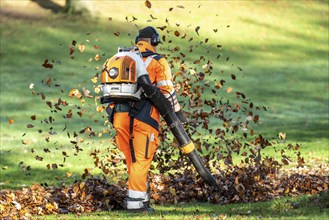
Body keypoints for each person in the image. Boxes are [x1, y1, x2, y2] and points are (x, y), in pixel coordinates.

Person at [105, 26, 187, 212]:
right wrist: (178, 117)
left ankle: (141, 199)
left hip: (119, 116)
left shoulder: (121, 58)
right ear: (154, 41)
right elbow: (166, 93)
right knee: (141, 160)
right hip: (144, 118)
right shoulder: (158, 61)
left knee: (132, 160)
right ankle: (135, 204)